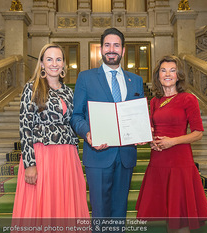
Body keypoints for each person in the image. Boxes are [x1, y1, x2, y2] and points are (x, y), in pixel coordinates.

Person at [70, 28, 144, 219]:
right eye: (107, 45)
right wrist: (87, 133)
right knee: (100, 213)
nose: (112, 49)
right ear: (101, 49)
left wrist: (143, 130)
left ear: (123, 50)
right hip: (98, 155)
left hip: (126, 155)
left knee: (120, 213)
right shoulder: (85, 78)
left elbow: (138, 115)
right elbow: (76, 115)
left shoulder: (135, 81)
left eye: (116, 45)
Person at [135, 55, 207, 233]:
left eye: (172, 70)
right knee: (165, 213)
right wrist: (152, 141)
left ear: (179, 76)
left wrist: (172, 142)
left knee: (180, 217)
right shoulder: (154, 101)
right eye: (163, 70)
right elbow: (151, 130)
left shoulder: (188, 99)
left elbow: (198, 133)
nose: (167, 74)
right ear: (158, 75)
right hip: (158, 161)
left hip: (180, 161)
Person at [12, 43, 89, 218]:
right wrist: (29, 164)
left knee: (65, 206)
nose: (54, 63)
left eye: (58, 59)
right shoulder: (31, 88)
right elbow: (25, 127)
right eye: (49, 59)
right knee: (41, 207)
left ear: (63, 65)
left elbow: (75, 122)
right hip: (42, 155)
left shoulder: (69, 92)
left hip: (67, 157)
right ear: (41, 64)